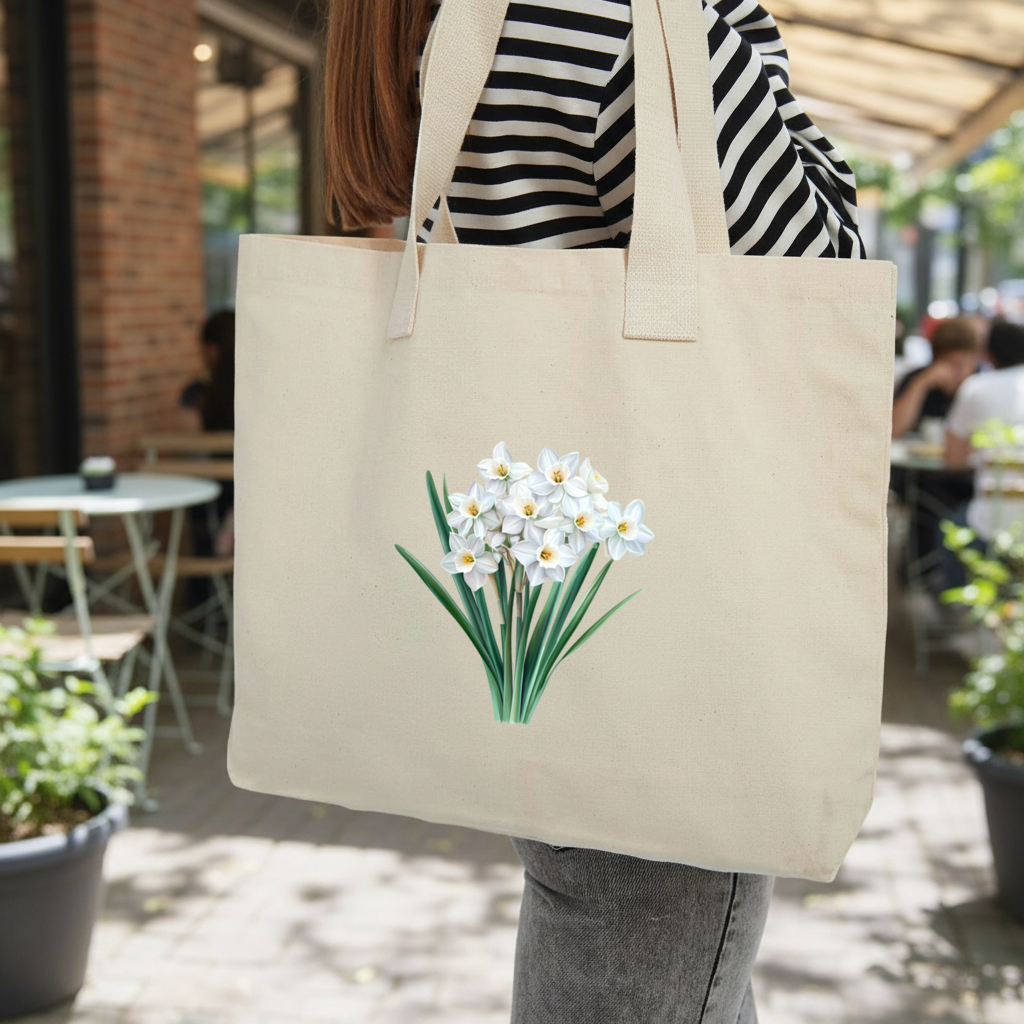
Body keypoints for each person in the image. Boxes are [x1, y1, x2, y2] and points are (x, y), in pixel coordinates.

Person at [324, 1, 865, 1020]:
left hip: (569, 638)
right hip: (673, 668)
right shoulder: (613, 15)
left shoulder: (458, 22)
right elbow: (819, 264)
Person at [946, 320, 1024, 541]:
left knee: (947, 530)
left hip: (990, 527)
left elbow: (953, 459)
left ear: (989, 354)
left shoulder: (976, 387)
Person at [892, 317, 980, 439]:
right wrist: (921, 384)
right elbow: (893, 430)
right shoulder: (918, 378)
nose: (955, 373)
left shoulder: (980, 383)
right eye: (949, 364)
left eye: (961, 365)